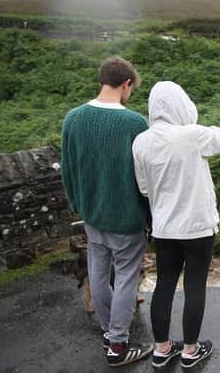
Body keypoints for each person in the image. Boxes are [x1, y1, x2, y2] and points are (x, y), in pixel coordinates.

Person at [132, 81, 220, 369]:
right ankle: (190, 351)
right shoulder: (191, 135)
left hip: (164, 228)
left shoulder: (141, 142)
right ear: (180, 103)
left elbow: (143, 188)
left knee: (164, 283)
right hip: (198, 228)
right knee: (194, 285)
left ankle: (162, 349)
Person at [61, 56, 153, 367]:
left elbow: (68, 171)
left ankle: (108, 330)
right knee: (126, 278)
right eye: (131, 88)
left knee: (99, 274)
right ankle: (118, 345)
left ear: (102, 80)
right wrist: (149, 217)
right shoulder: (135, 123)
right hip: (127, 219)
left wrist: (80, 206)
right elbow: (144, 178)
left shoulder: (73, 118)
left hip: (92, 215)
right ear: (126, 83)